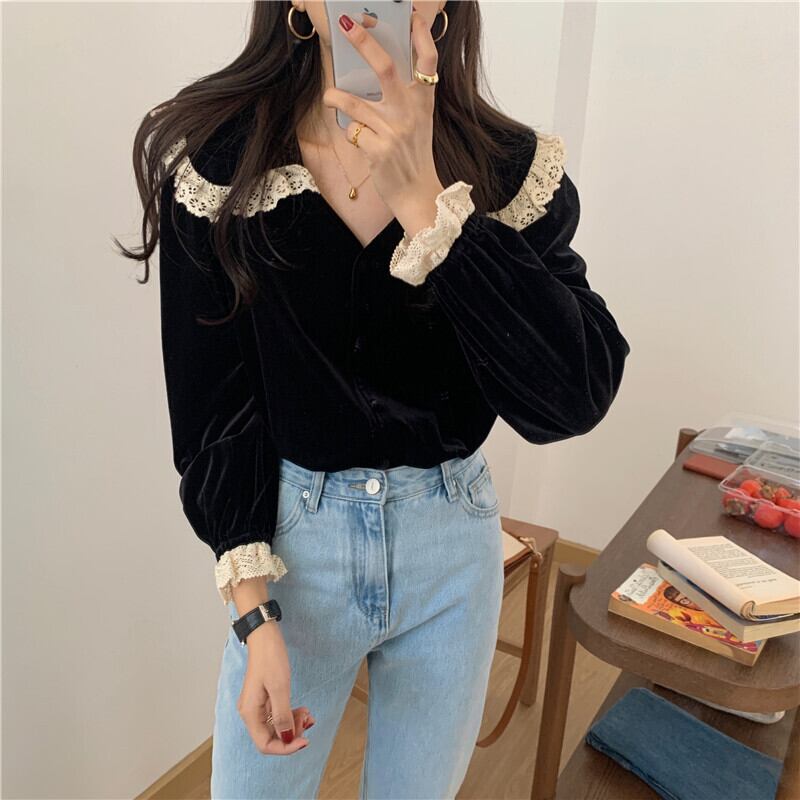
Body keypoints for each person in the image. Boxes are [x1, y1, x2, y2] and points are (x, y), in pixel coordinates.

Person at [121, 1, 631, 797]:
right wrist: (253, 616)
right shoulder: (221, 161)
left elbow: (573, 394)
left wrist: (427, 202)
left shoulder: (508, 170)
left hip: (450, 548)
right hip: (295, 556)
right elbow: (214, 409)